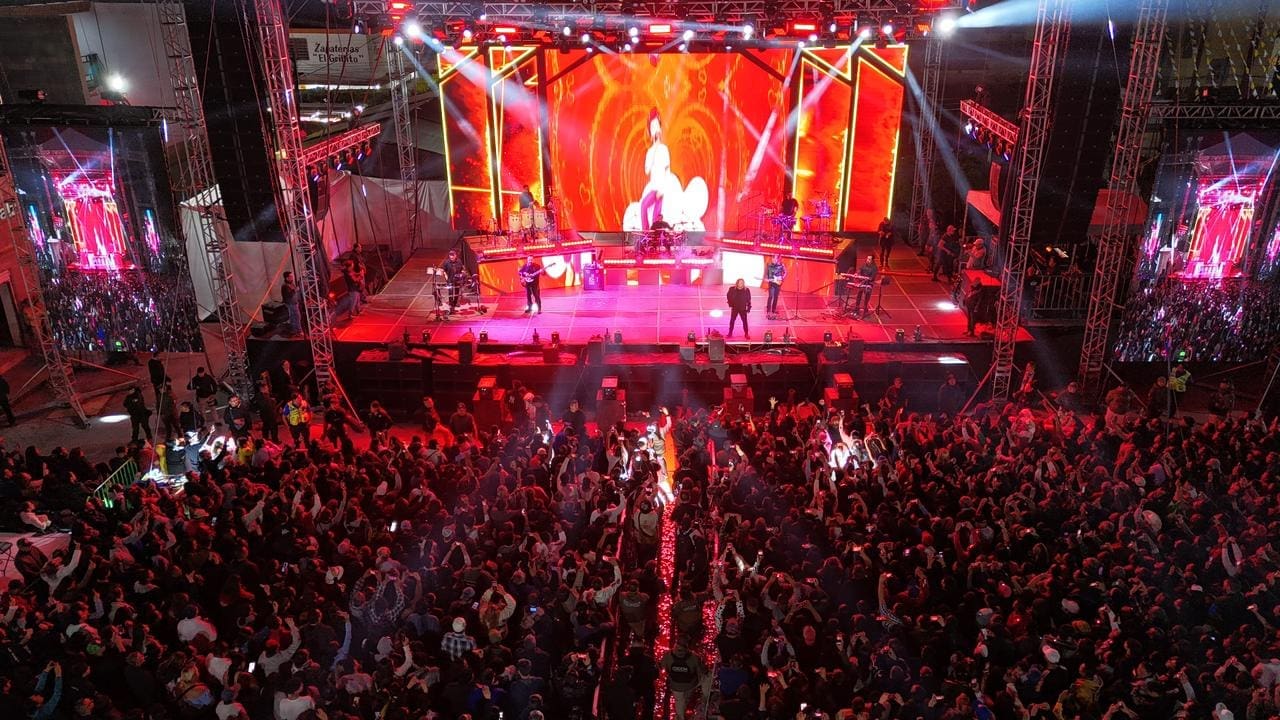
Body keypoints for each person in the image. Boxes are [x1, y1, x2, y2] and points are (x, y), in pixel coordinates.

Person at [660, 640, 707, 720]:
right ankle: (682, 714)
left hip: (675, 685)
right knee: (686, 700)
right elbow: (701, 671)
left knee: (679, 701)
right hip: (690, 685)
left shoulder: (668, 655)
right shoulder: (694, 657)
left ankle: (680, 716)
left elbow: (662, 666)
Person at [765, 254, 787, 318]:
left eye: (775, 259)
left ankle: (773, 310)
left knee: (776, 297)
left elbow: (785, 272)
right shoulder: (769, 265)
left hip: (778, 283)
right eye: (773, 258)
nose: (774, 260)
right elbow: (767, 274)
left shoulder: (781, 265)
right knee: (770, 296)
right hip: (771, 283)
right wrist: (767, 279)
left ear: (778, 259)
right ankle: (768, 311)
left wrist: (782, 278)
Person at [281, 271, 302, 336]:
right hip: (290, 305)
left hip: (294, 304)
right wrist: (295, 290)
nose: (292, 277)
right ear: (287, 278)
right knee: (293, 318)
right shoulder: (285, 286)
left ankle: (298, 330)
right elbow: (289, 295)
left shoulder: (292, 284)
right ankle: (296, 331)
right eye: (291, 276)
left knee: (297, 317)